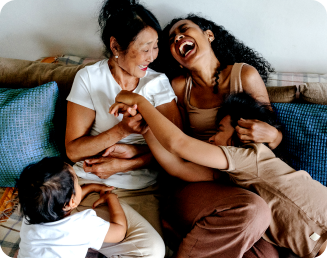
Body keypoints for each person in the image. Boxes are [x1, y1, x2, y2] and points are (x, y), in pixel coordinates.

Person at [110, 91, 327, 258]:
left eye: (220, 130)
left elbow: (179, 144)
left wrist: (142, 102)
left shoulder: (250, 156)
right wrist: (146, 128)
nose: (212, 139)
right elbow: (179, 167)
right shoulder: (236, 177)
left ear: (242, 130)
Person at [65, 0, 181, 257]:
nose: (152, 56)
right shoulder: (89, 78)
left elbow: (177, 149)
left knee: (152, 252)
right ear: (116, 46)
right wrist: (121, 130)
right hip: (89, 183)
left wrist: (127, 163)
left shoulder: (158, 83)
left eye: (156, 47)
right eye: (145, 49)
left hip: (142, 190)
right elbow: (73, 151)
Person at [16, 157, 127, 258]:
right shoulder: (83, 225)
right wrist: (111, 198)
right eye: (77, 183)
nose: (79, 185)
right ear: (70, 203)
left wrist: (91, 187)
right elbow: (119, 232)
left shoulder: (29, 217)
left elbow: (67, 201)